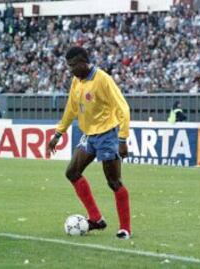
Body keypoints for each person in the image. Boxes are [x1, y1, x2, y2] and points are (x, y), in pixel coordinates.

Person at [47, 46, 131, 239]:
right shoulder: (77, 81)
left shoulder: (103, 79)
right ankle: (96, 218)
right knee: (72, 172)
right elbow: (71, 108)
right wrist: (58, 134)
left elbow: (123, 108)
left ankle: (125, 228)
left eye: (73, 66)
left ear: (84, 62)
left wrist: (123, 139)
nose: (70, 70)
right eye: (68, 66)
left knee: (114, 182)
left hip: (107, 136)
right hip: (89, 136)